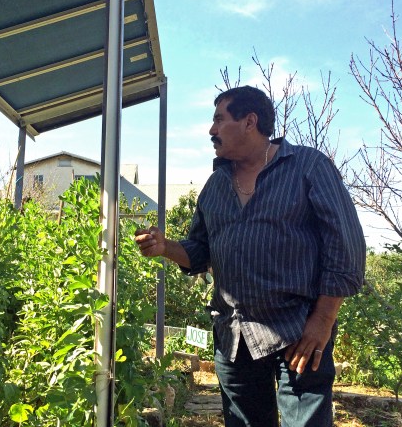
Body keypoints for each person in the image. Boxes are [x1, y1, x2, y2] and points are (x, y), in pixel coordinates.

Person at [135, 85, 365, 426]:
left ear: (249, 121)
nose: (211, 130)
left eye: (218, 119)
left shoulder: (307, 167)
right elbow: (200, 252)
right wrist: (166, 247)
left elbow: (346, 247)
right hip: (234, 338)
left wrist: (323, 321)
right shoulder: (215, 186)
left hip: (298, 333)